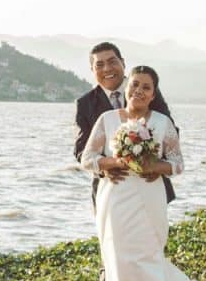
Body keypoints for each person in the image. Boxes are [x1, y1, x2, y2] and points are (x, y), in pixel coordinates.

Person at [79, 65, 206, 281]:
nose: (138, 91)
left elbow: (177, 164)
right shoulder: (107, 120)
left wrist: (154, 167)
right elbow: (87, 159)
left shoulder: (163, 124)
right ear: (126, 87)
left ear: (153, 95)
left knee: (149, 265)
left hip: (150, 200)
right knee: (120, 267)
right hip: (116, 200)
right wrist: (113, 162)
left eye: (146, 87)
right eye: (135, 84)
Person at [74, 42, 176, 207]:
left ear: (123, 63)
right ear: (92, 70)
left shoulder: (146, 90)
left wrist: (157, 166)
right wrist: (105, 168)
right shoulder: (85, 104)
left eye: (112, 61)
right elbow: (81, 150)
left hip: (149, 186)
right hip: (109, 190)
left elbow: (170, 131)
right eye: (99, 65)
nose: (107, 69)